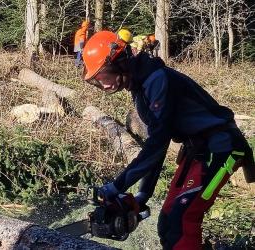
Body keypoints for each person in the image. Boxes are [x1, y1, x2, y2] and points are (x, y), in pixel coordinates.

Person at [82, 31, 254, 249]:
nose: (104, 85)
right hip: (198, 149)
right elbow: (157, 143)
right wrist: (143, 195)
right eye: (98, 80)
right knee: (167, 223)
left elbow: (158, 143)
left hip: (221, 148)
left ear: (119, 62)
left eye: (104, 76)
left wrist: (117, 185)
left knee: (181, 220)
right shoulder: (140, 85)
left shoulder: (156, 80)